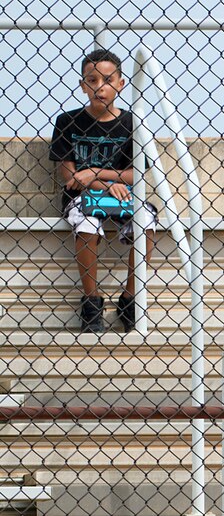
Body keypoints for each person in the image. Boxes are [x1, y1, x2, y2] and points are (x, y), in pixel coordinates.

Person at [49, 48, 157, 333]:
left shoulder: (133, 123)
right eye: (92, 80)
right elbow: (71, 177)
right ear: (83, 85)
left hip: (123, 196)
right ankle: (91, 300)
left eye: (107, 80)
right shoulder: (67, 121)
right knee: (86, 223)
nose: (100, 87)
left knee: (145, 222)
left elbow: (137, 174)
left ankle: (130, 299)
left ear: (120, 84)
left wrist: (97, 173)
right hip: (83, 197)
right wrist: (107, 184)